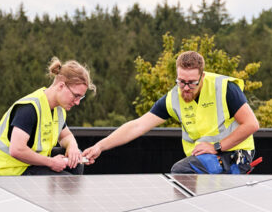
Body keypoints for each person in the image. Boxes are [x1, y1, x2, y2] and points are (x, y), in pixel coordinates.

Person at [82, 50, 259, 173]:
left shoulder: (224, 88)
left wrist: (216, 147)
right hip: (206, 157)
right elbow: (137, 126)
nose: (186, 88)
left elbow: (252, 124)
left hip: (237, 155)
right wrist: (100, 146)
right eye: (181, 81)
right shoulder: (173, 99)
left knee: (182, 170)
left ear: (202, 77)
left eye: (192, 82)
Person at [0, 57, 95, 176]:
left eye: (80, 98)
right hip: (5, 172)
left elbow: (66, 136)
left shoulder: (58, 109)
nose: (77, 102)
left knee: (76, 161)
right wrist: (51, 162)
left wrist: (72, 147)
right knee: (66, 182)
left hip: (26, 165)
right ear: (61, 86)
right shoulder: (29, 109)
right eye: (76, 96)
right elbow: (16, 150)